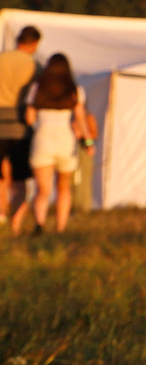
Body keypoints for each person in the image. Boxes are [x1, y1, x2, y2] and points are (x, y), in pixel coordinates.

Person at [17, 54, 96, 233]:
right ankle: (60, 227)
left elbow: (29, 119)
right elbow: (81, 119)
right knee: (63, 187)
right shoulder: (75, 90)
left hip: (43, 138)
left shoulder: (37, 88)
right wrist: (88, 142)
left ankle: (39, 224)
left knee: (42, 190)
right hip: (65, 140)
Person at [0, 27, 40, 233]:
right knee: (20, 180)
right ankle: (15, 227)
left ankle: (0, 216)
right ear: (34, 44)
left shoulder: (1, 58)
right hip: (20, 128)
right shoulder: (34, 66)